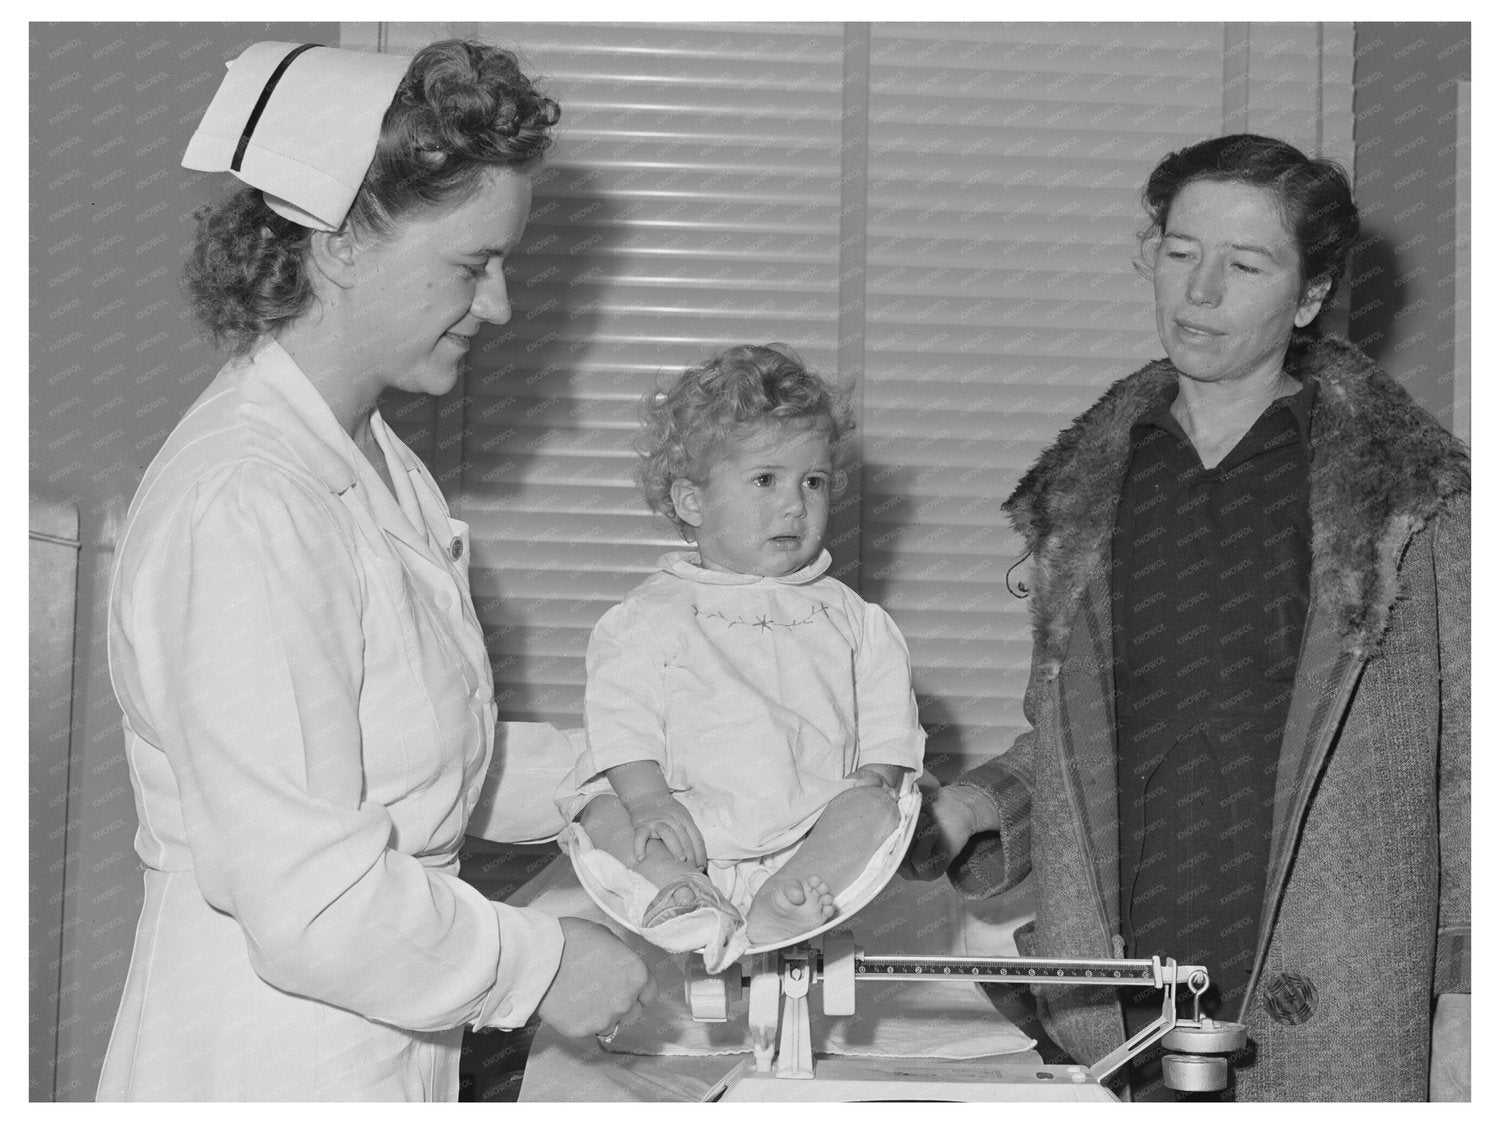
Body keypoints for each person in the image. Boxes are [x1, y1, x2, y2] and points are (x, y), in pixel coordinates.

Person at [98, 40, 655, 1101]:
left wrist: (629, 777)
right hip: (270, 1058)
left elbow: (417, 761)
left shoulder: (370, 461)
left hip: (375, 1047)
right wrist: (541, 962)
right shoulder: (245, 500)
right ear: (344, 241)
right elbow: (309, 898)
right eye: (469, 264)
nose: (497, 307)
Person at [903, 134, 1469, 1101]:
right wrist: (964, 812)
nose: (1198, 293)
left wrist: (1467, 1001)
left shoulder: (1412, 500)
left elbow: (1471, 764)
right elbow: (1083, 742)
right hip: (1123, 1002)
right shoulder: (1089, 490)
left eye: (1244, 266)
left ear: (1310, 295)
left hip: (1340, 992)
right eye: (1179, 252)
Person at [556, 344, 924, 946]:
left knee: (880, 807)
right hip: (683, 823)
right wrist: (648, 800)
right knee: (603, 812)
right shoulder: (646, 618)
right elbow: (622, 724)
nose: (794, 504)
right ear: (691, 501)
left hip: (806, 827)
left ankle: (786, 900)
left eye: (813, 481)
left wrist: (874, 778)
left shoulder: (856, 621)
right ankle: (678, 891)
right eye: (764, 480)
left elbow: (890, 729)